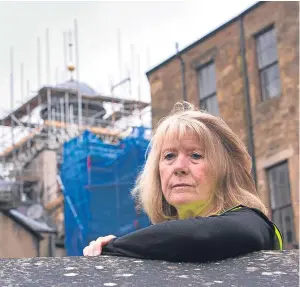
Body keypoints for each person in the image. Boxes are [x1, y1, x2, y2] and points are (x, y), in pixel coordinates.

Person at [83, 101, 283, 262]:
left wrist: (114, 247)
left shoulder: (252, 222)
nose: (179, 167)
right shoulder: (160, 245)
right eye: (169, 156)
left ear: (224, 170)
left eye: (196, 155)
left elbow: (200, 236)